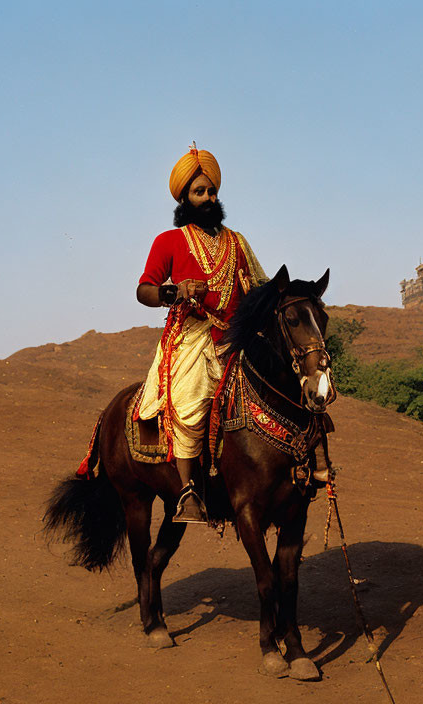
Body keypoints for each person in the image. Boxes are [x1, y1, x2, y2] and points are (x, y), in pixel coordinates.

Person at [136, 144, 267, 523]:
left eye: (212, 191)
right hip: (193, 339)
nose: (209, 198)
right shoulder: (169, 241)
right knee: (191, 398)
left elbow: (258, 287)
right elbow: (144, 290)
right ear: (184, 198)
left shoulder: (238, 242)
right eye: (199, 193)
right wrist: (173, 292)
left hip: (237, 340)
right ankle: (188, 491)